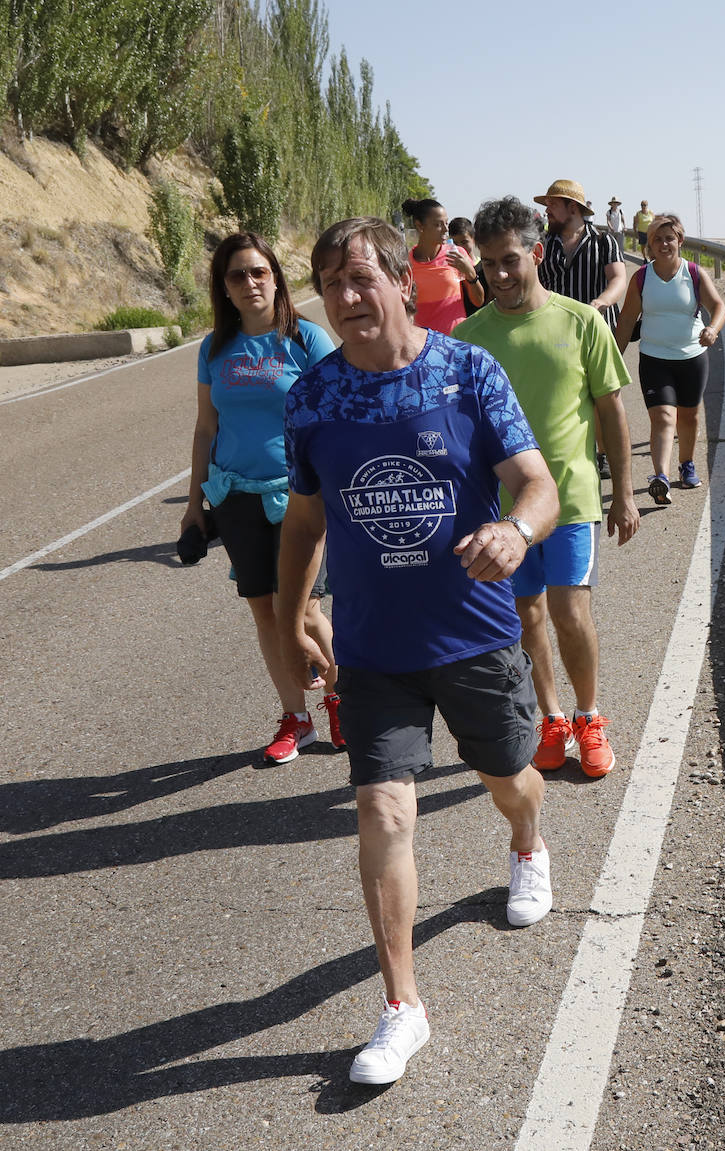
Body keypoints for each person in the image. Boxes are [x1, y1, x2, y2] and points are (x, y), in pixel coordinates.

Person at [277, 216, 561, 1086]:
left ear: (405, 280)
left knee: (509, 777)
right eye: (330, 283)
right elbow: (305, 518)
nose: (346, 296)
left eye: (361, 278)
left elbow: (538, 483)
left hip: (474, 632)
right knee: (384, 812)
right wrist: (293, 617)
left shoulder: (466, 371)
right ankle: (403, 1004)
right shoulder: (315, 396)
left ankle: (527, 843)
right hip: (374, 648)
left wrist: (515, 532)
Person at [458, 196, 640, 780]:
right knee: (525, 617)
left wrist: (625, 494)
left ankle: (589, 717)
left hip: (572, 498)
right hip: (504, 507)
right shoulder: (468, 337)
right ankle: (551, 719)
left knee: (567, 610)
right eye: (489, 264)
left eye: (511, 260)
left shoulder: (581, 321)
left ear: (536, 253)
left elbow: (612, 412)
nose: (501, 275)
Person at [180, 232, 343, 764]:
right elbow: (206, 428)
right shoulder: (214, 348)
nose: (249, 283)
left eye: (258, 272)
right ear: (223, 289)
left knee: (308, 610)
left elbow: (336, 418)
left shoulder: (306, 341)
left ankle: (345, 700)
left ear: (276, 279)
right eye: (236, 276)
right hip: (235, 496)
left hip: (301, 498)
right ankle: (297, 718)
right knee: (266, 613)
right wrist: (193, 507)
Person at [614, 213, 725, 506]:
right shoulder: (641, 278)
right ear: (649, 246)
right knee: (663, 417)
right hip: (655, 358)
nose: (664, 244)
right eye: (657, 240)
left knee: (689, 417)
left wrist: (712, 329)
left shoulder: (693, 273)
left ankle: (686, 463)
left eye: (669, 238)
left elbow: (718, 306)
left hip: (692, 357)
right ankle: (661, 477)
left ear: (680, 240)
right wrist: (613, 358)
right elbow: (626, 321)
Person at [533, 178, 627, 479]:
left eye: (552, 205)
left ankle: (605, 453)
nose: (547, 211)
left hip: (597, 334)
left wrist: (600, 303)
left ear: (572, 208)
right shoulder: (544, 247)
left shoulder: (604, 242)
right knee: (562, 398)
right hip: (556, 336)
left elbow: (618, 280)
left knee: (604, 401)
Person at [402, 196, 482, 333]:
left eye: (446, 223)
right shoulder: (405, 263)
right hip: (424, 345)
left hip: (456, 342)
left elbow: (478, 301)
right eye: (438, 225)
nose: (446, 230)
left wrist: (470, 273)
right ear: (420, 226)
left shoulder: (457, 254)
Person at [449, 216, 488, 318]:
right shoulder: (450, 269)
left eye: (464, 242)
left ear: (474, 239)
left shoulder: (485, 266)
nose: (459, 247)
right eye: (455, 243)